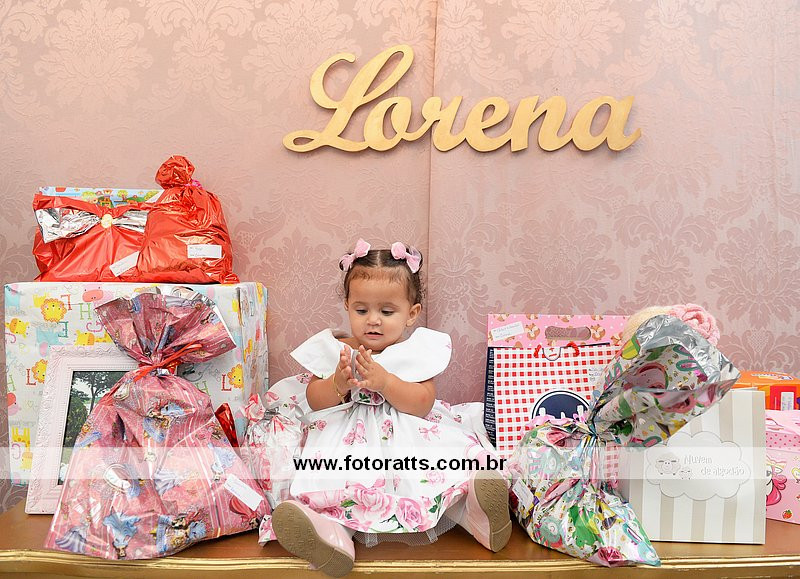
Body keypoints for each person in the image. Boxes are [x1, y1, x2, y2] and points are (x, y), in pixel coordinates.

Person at [269, 239, 511, 577]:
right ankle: (331, 535)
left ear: (411, 313)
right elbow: (313, 400)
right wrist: (337, 384)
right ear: (347, 305)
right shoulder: (338, 350)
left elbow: (423, 403)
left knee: (438, 474)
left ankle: (474, 512)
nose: (373, 321)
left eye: (386, 312)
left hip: (409, 433)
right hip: (347, 438)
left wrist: (386, 383)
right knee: (338, 483)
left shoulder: (414, 352)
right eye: (361, 310)